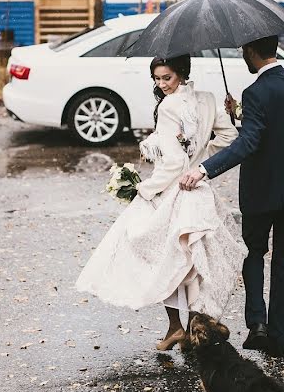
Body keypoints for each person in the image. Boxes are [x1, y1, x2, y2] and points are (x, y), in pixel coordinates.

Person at [75, 55, 246, 350]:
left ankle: (176, 327)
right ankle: (192, 329)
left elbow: (172, 164)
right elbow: (230, 136)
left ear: (181, 73)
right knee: (190, 262)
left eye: (167, 77)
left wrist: (145, 189)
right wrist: (202, 161)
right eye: (157, 78)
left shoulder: (168, 108)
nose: (161, 84)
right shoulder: (206, 99)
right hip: (199, 192)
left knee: (160, 260)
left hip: (172, 192)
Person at [179, 35, 284, 359]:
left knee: (254, 253)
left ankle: (256, 324)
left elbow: (249, 144)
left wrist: (204, 169)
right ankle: (278, 337)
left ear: (251, 51)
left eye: (244, 51)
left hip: (262, 190)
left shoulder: (256, 92)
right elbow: (281, 125)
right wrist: (241, 114)